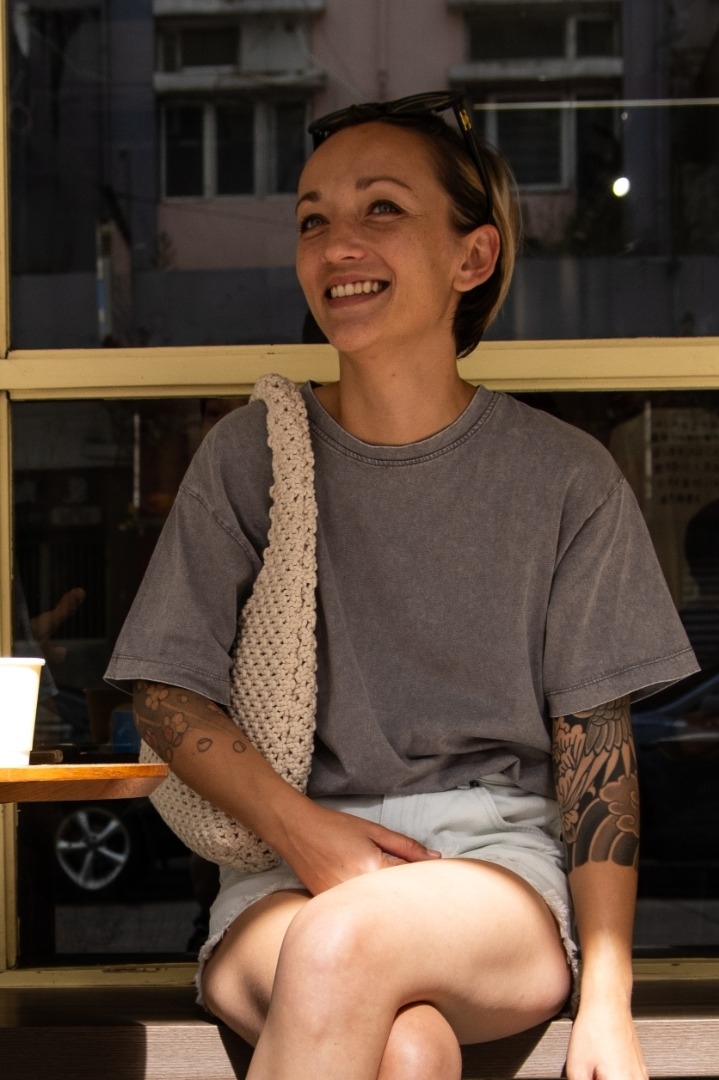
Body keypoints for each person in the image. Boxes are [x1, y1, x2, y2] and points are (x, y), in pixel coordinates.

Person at [106, 92, 698, 1080]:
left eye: (380, 208)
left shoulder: (565, 477)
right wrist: (306, 834)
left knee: (343, 944)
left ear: (473, 256)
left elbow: (597, 758)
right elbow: (165, 693)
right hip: (280, 871)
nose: (337, 244)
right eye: (312, 219)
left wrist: (607, 1001)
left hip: (493, 874)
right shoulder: (251, 455)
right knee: (409, 1050)